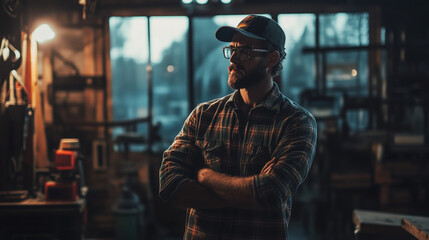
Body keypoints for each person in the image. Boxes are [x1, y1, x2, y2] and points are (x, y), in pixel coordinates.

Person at [159, 15, 317, 240]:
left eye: (245, 51)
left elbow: (270, 193)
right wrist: (243, 197)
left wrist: (205, 176)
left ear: (272, 58)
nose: (233, 59)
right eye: (231, 49)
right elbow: (169, 183)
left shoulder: (296, 122)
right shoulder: (203, 115)